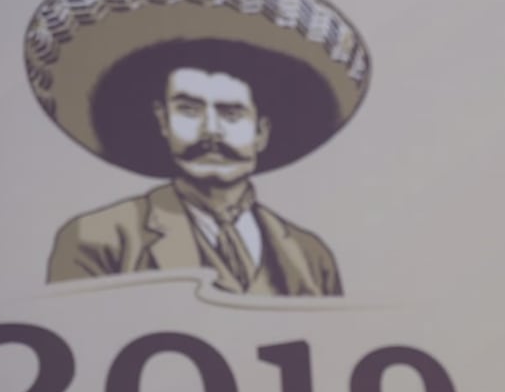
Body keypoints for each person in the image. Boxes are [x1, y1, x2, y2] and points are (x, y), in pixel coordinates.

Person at [47, 38, 343, 296]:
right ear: (163, 122)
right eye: (189, 110)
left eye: (231, 113)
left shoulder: (311, 256)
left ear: (261, 133)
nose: (211, 131)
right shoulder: (99, 238)